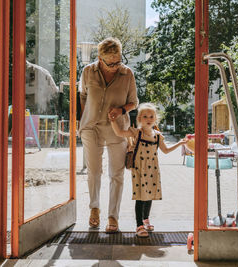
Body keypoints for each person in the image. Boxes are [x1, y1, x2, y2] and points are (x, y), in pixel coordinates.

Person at [79, 37, 138, 233]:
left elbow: (134, 102)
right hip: (91, 127)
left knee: (117, 174)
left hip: (117, 128)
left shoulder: (127, 73)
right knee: (94, 171)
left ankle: (113, 216)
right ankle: (94, 208)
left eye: (117, 61)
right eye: (109, 62)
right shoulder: (88, 71)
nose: (114, 66)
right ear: (99, 58)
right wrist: (83, 117)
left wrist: (121, 110)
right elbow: (83, 95)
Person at [110, 103, 187, 237]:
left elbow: (166, 150)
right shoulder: (136, 132)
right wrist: (113, 121)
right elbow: (120, 133)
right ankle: (139, 225)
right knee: (140, 196)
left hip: (153, 169)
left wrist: (180, 143)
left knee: (149, 194)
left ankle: (146, 219)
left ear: (155, 118)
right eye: (145, 116)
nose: (148, 119)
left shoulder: (157, 135)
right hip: (139, 168)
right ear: (139, 118)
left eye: (151, 116)